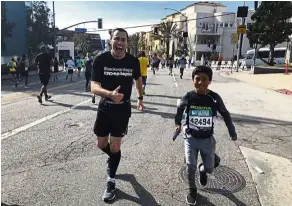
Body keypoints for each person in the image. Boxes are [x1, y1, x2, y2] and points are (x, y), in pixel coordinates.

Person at [91, 28, 144, 202]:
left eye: (123, 40)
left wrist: (140, 98)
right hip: (105, 107)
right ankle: (113, 159)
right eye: (117, 39)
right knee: (101, 144)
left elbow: (138, 79)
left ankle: (111, 181)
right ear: (110, 41)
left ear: (127, 43)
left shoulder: (133, 61)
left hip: (122, 109)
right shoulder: (101, 59)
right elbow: (93, 86)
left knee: (115, 146)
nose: (120, 43)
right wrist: (109, 94)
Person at [174, 65, 237, 205]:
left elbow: (225, 113)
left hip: (207, 140)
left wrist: (231, 130)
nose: (201, 83)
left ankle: (204, 168)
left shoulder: (214, 98)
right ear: (192, 80)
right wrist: (178, 124)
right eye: (197, 79)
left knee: (209, 169)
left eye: (204, 79)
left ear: (210, 81)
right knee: (190, 167)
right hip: (190, 138)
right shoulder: (188, 96)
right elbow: (179, 109)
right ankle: (192, 190)